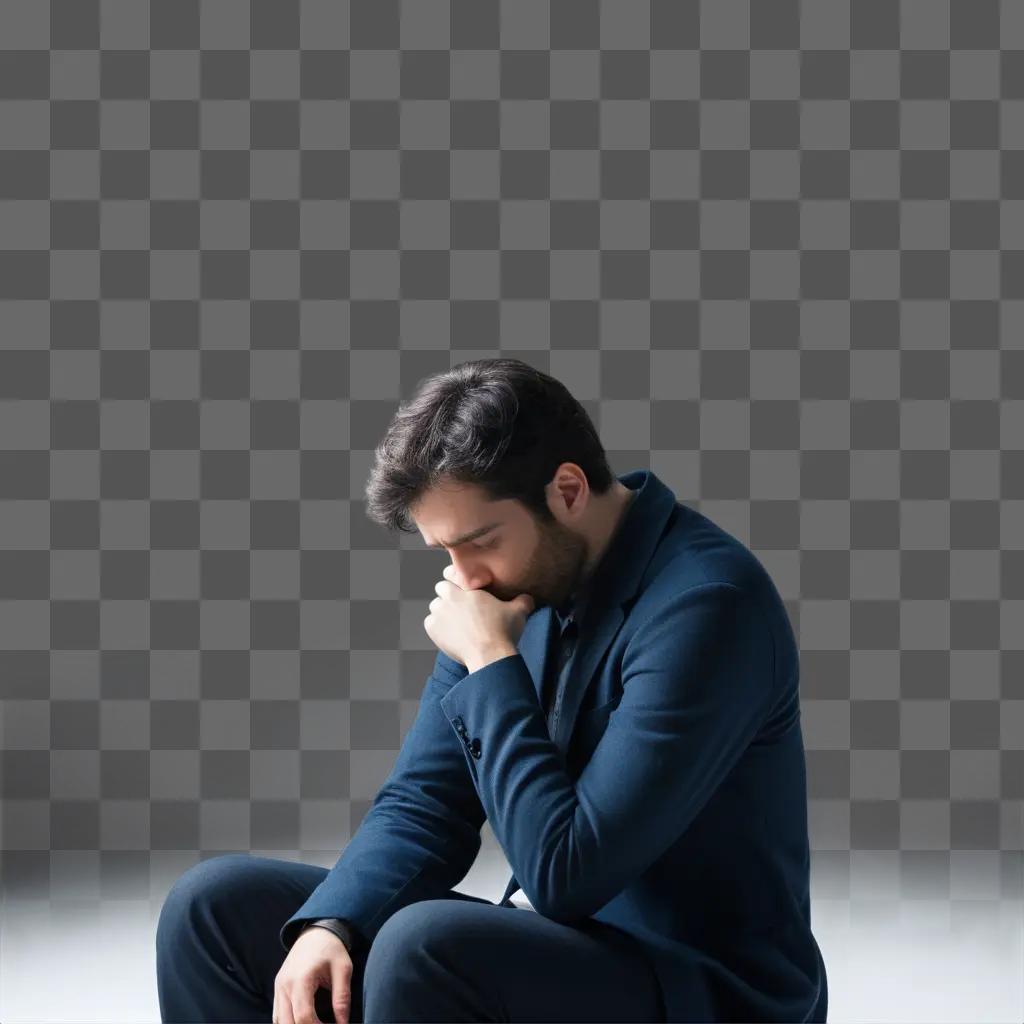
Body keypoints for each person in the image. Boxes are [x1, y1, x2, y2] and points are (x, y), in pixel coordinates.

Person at [156, 357, 828, 1023]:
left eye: (478, 542)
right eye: (444, 551)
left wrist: (490, 659)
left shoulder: (709, 607)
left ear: (567, 490)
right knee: (213, 908)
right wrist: (335, 924)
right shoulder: (508, 588)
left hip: (701, 989)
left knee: (424, 947)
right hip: (569, 953)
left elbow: (567, 876)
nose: (465, 579)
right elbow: (425, 803)